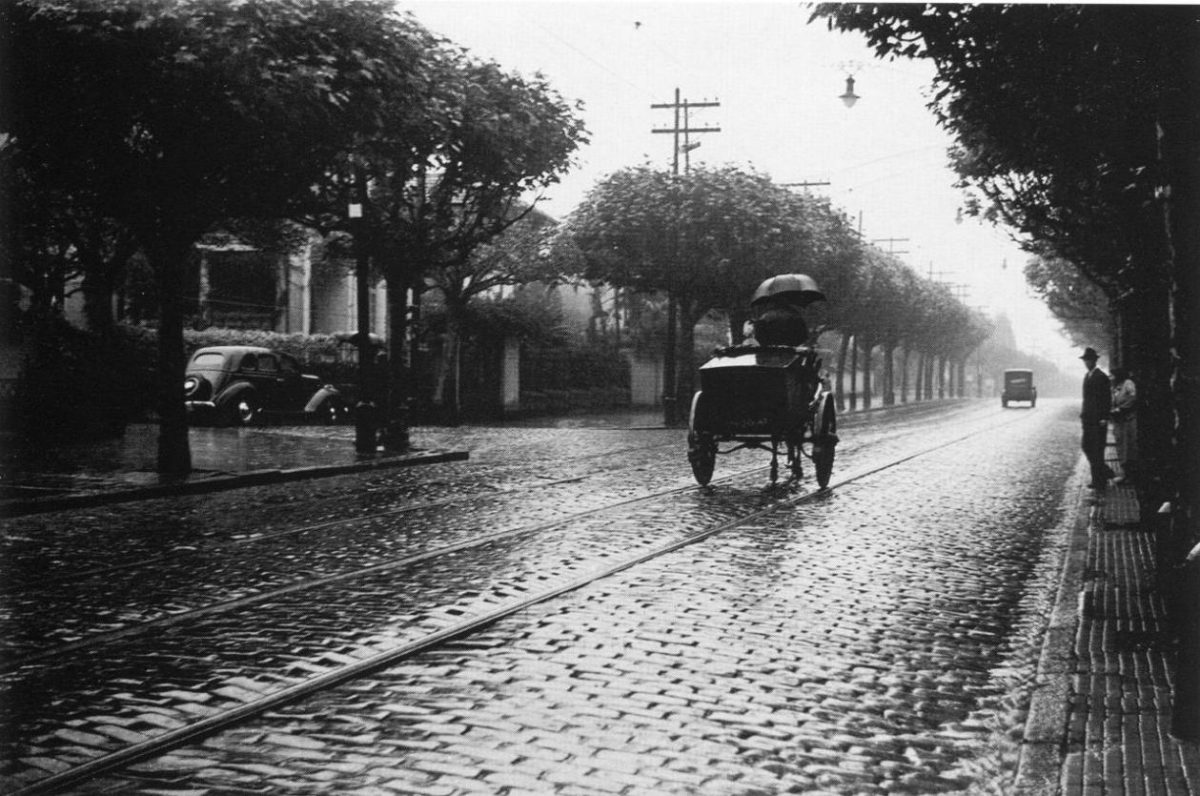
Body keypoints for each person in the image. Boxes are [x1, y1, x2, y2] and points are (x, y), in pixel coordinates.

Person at [1080, 347, 1114, 490]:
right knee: (1087, 446)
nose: (1087, 363)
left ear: (1095, 361)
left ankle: (1099, 481)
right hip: (1088, 420)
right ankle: (1105, 473)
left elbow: (1107, 399)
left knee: (1097, 450)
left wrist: (1104, 417)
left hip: (1098, 420)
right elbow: (1086, 399)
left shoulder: (1101, 377)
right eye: (1085, 360)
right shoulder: (1087, 376)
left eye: (1089, 360)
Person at [1110, 366, 1138, 483]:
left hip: (1128, 420)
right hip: (1119, 422)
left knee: (1129, 447)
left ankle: (1131, 476)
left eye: (1114, 375)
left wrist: (1121, 409)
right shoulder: (1117, 387)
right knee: (1121, 446)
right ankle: (1125, 474)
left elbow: (1133, 397)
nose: (1112, 377)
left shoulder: (1128, 383)